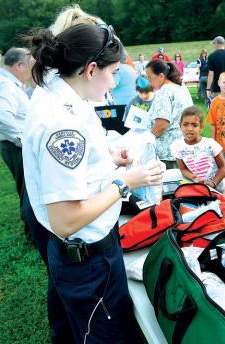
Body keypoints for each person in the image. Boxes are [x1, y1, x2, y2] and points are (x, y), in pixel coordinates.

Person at [24, 23, 164, 343]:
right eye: (113, 72)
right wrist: (125, 182)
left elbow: (77, 168)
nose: (114, 82)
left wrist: (109, 158)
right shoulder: (63, 124)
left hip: (91, 252)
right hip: (87, 261)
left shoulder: (64, 93)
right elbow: (66, 220)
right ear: (90, 69)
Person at [0, 47, 33, 236]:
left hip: (10, 145)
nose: (32, 72)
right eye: (30, 66)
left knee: (25, 189)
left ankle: (32, 229)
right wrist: (23, 141)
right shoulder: (6, 85)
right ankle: (33, 233)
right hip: (15, 146)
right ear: (20, 65)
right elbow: (2, 117)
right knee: (29, 191)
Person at [146, 59, 193, 169]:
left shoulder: (164, 92)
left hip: (168, 153)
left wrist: (146, 140)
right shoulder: (182, 89)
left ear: (161, 76)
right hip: (184, 148)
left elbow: (162, 124)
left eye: (150, 77)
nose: (148, 82)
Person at [171, 106, 225, 191]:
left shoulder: (210, 144)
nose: (189, 129)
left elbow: (223, 167)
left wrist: (213, 183)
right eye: (185, 124)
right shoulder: (177, 146)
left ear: (201, 127)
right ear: (180, 126)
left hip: (219, 189)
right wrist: (194, 178)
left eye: (194, 125)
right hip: (198, 189)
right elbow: (183, 169)